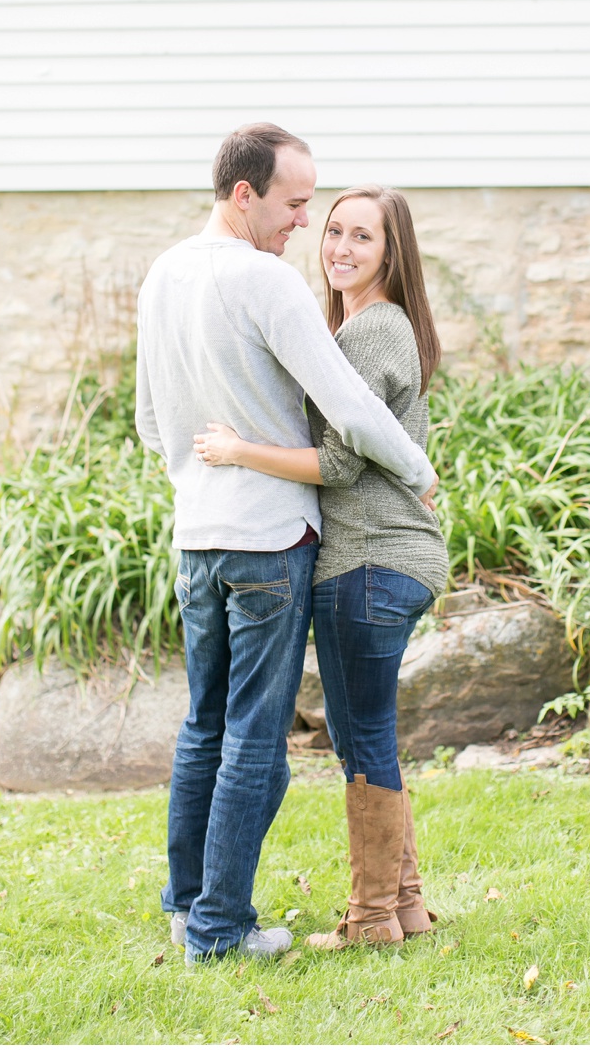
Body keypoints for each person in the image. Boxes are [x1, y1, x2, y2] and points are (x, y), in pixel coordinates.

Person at [136, 126, 439, 963]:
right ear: (245, 194)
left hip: (197, 536)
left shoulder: (162, 273)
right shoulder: (267, 281)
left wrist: (200, 483)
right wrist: (416, 467)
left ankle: (185, 906)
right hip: (269, 539)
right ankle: (221, 927)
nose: (304, 223)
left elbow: (149, 421)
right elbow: (349, 407)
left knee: (202, 726)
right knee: (253, 741)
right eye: (296, 203)